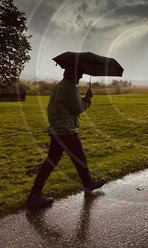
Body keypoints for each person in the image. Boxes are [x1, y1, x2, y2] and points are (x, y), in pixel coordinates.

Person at [26, 66, 105, 210]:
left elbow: (68, 105)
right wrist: (87, 99)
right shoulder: (70, 87)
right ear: (73, 74)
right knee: (79, 159)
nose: (80, 77)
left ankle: (34, 196)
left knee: (51, 162)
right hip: (66, 131)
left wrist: (80, 100)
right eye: (79, 74)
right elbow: (79, 108)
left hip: (56, 130)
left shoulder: (59, 86)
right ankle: (87, 184)